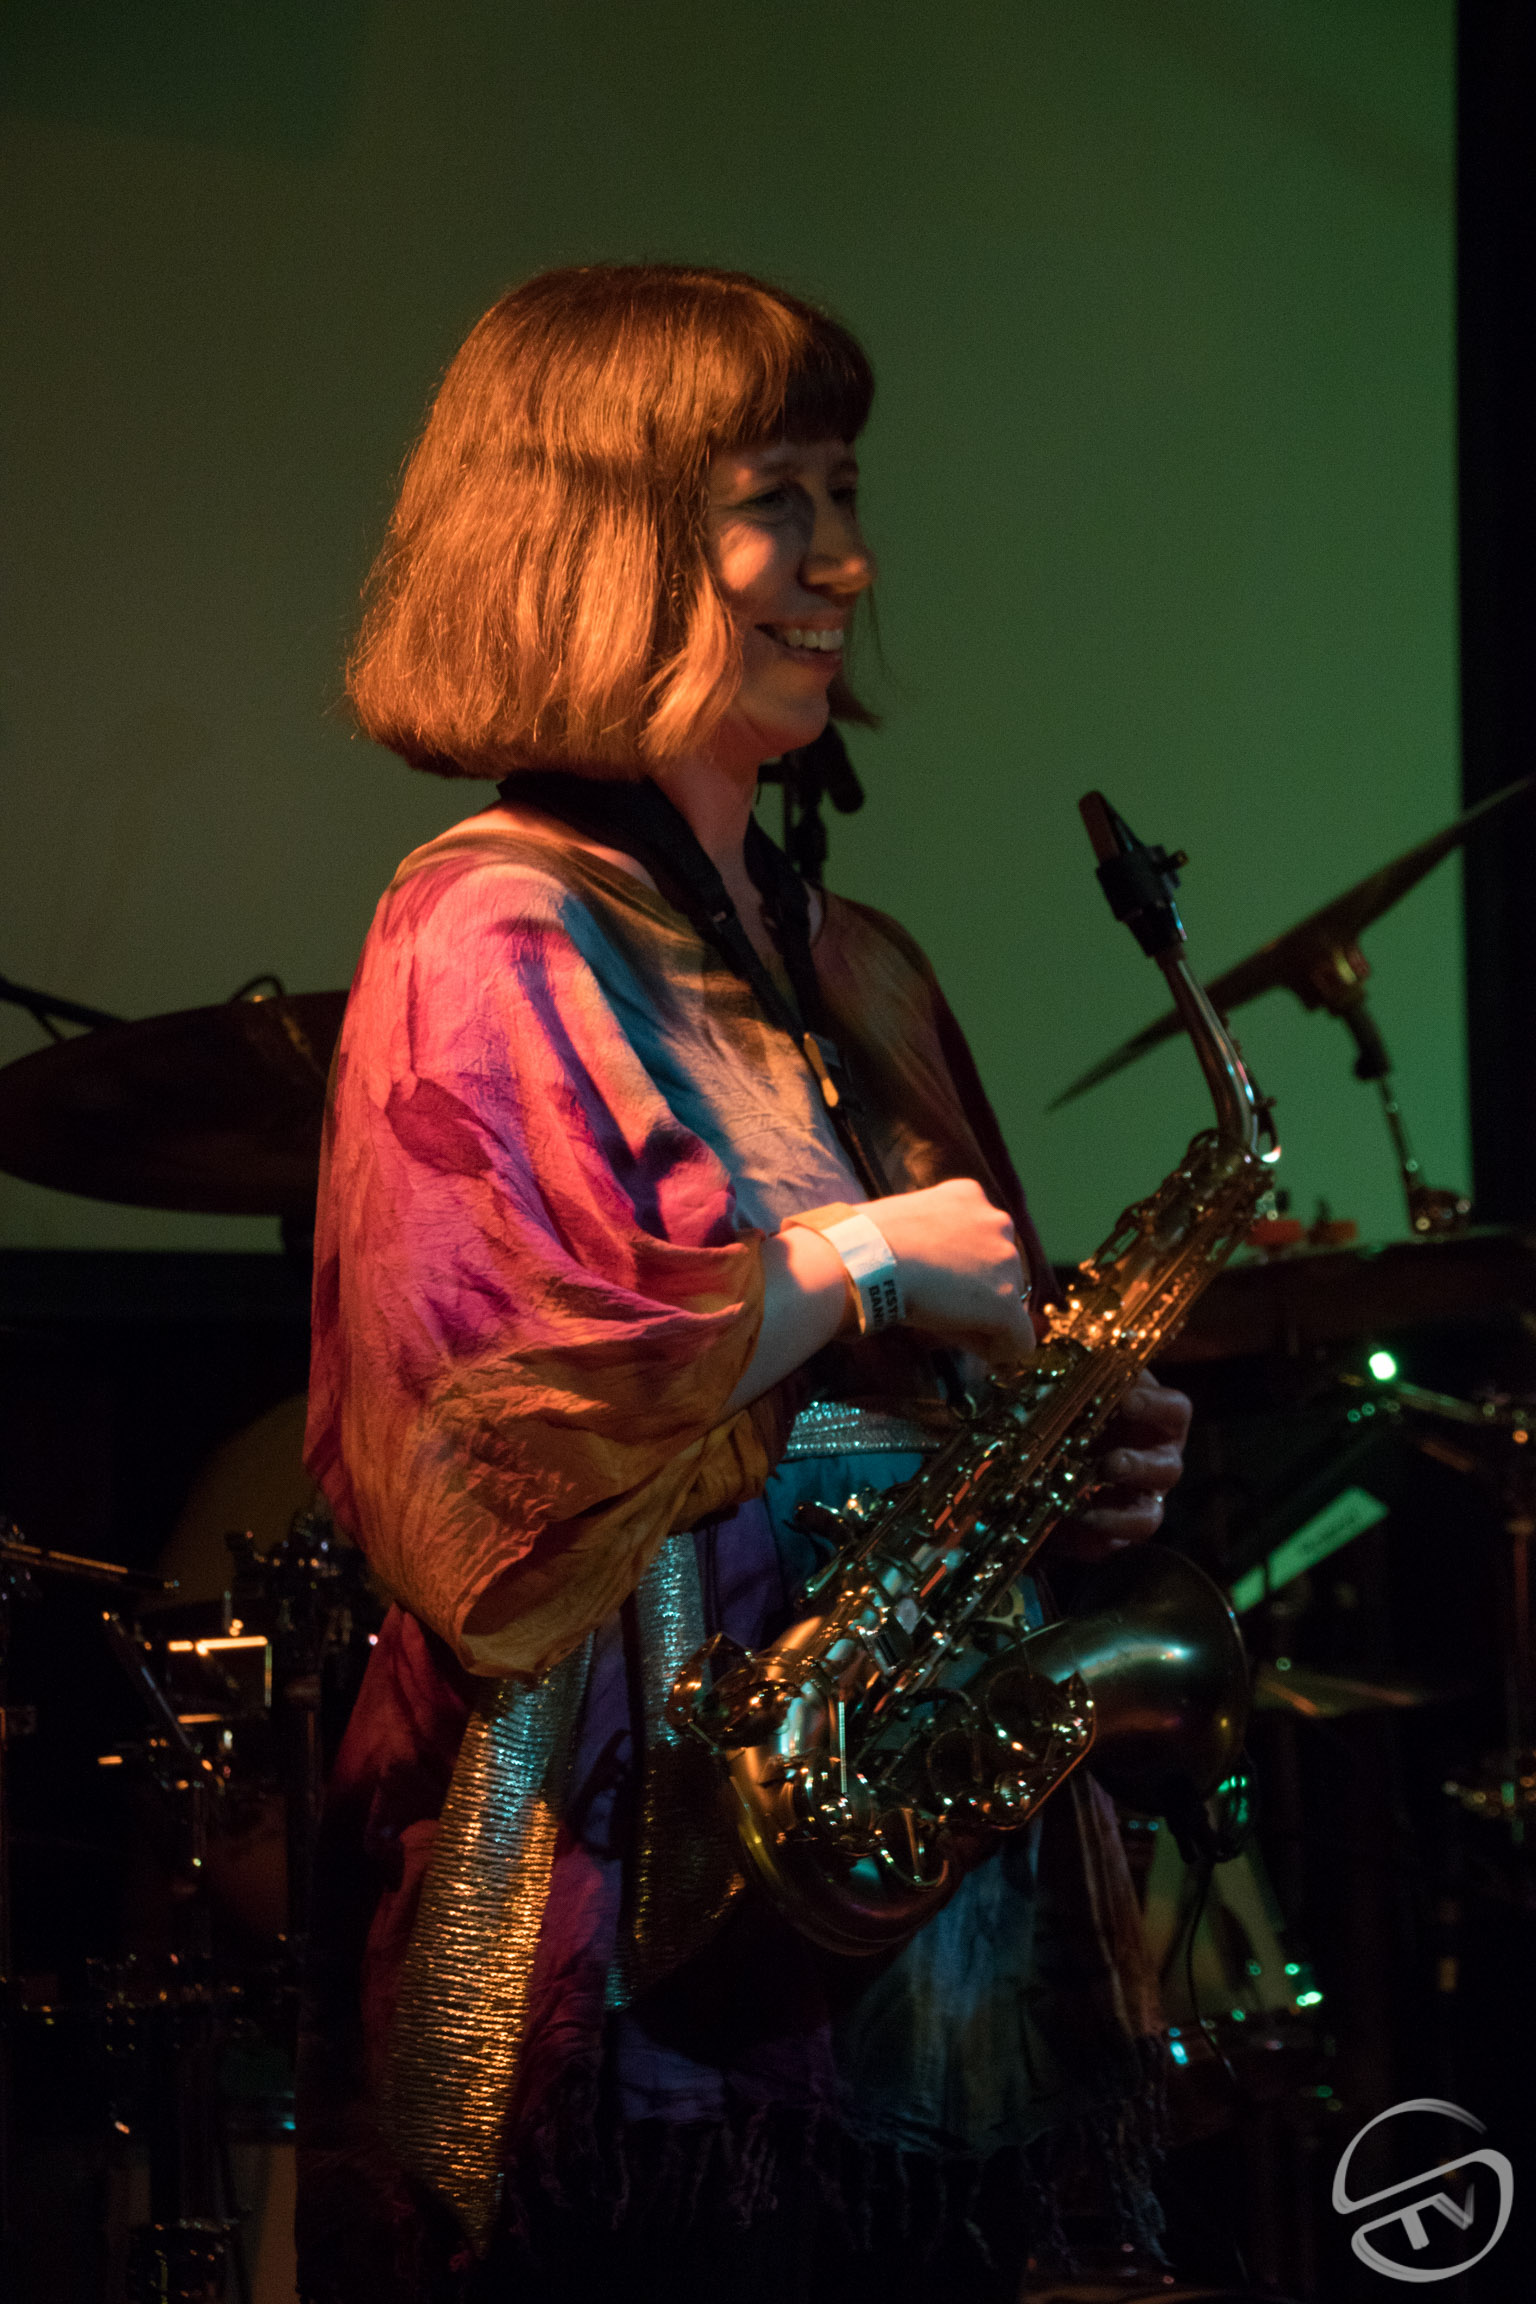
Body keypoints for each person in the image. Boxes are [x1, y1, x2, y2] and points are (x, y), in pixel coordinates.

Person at [296, 264, 1191, 2304]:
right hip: (651, 1947)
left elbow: (954, 1379)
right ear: (601, 541)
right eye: (774, 500)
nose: (845, 560)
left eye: (845, 490)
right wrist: (865, 1254)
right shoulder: (486, 924)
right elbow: (481, 1439)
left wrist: (1082, 1454)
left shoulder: (859, 956)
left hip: (922, 1952)